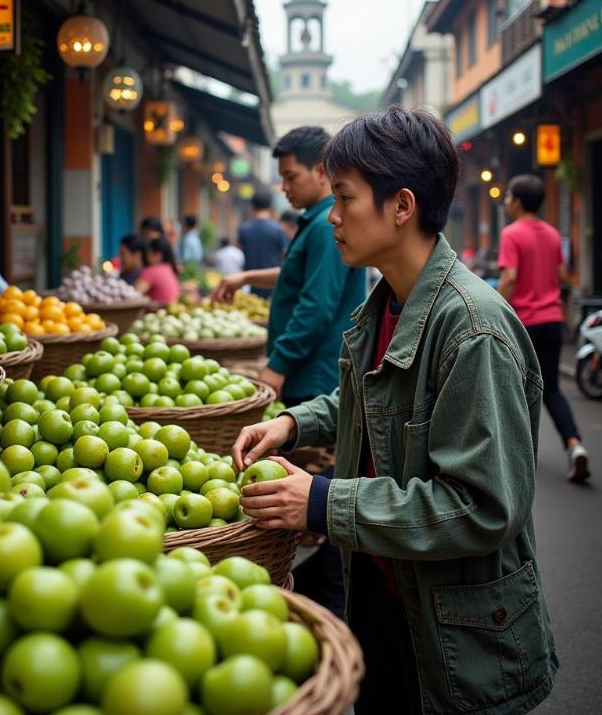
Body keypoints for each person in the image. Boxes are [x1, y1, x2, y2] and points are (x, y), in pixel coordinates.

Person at [230, 108, 558, 715]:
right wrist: (294, 422)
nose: (332, 217)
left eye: (345, 198)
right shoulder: (386, 304)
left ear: (401, 206)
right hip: (386, 592)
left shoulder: (473, 331)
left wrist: (324, 503)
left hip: (456, 630)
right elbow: (372, 400)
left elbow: (482, 505)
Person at [214, 126, 366, 616]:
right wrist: (245, 277)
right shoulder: (319, 224)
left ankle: (329, 612)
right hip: (312, 378)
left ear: (321, 170)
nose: (284, 186)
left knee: (317, 507)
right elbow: (298, 278)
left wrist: (277, 367)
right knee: (314, 509)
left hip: (316, 377)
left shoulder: (326, 225)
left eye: (291, 175)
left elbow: (316, 304)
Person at [498, 174, 589, 482]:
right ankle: (574, 444)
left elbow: (509, 277)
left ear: (519, 202)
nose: (506, 202)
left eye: (509, 196)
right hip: (552, 322)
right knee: (551, 388)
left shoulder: (511, 234)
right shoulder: (551, 234)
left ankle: (515, 461)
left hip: (524, 325)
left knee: (515, 390)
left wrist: (494, 309)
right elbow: (563, 274)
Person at [236, 188, 286, 298]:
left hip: (250, 282)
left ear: (252, 206)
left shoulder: (243, 229)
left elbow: (238, 252)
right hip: (272, 283)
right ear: (270, 207)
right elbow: (285, 254)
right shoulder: (277, 230)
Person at [134, 236, 180, 307]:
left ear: (158, 255)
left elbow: (134, 295)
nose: (146, 257)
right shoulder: (168, 268)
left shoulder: (151, 271)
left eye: (148, 254)